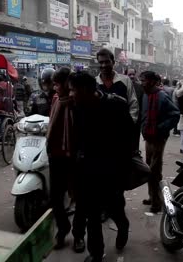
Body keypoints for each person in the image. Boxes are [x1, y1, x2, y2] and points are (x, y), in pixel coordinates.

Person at [70, 71, 133, 262]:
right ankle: (96, 253)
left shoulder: (116, 104)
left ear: (84, 90)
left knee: (115, 209)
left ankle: (123, 227)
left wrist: (122, 166)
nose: (71, 94)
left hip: (112, 170)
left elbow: (130, 137)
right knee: (92, 214)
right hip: (88, 169)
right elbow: (76, 139)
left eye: (73, 90)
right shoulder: (78, 107)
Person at [47, 67, 84, 252]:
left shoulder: (78, 102)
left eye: (57, 84)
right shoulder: (56, 100)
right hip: (56, 155)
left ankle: (78, 235)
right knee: (55, 197)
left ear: (66, 84)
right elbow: (51, 124)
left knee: (79, 198)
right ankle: (63, 229)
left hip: (75, 157)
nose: (55, 88)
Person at [140, 71, 180, 213]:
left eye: (144, 80)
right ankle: (153, 197)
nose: (142, 83)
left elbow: (175, 114)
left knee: (154, 170)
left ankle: (157, 202)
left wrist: (160, 128)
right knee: (149, 168)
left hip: (158, 138)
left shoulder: (162, 96)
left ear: (151, 81)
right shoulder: (145, 95)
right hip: (148, 137)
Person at [95, 48, 139, 124]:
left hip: (122, 129)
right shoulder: (94, 82)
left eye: (107, 62)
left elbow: (133, 104)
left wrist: (130, 123)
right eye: (101, 62)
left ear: (113, 62)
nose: (104, 65)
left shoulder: (125, 80)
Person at [125, 68, 144, 151]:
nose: (132, 76)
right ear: (125, 75)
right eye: (130, 74)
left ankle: (135, 152)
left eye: (133, 74)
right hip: (124, 117)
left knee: (136, 137)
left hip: (137, 118)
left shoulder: (140, 87)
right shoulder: (121, 86)